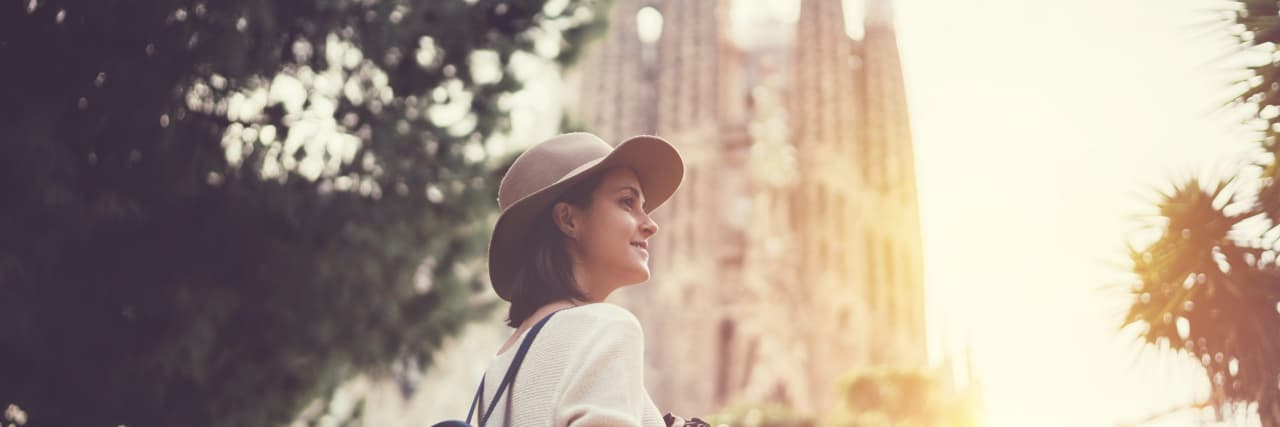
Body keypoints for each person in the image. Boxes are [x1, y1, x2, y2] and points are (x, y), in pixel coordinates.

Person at [477, 132, 685, 426]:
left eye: (645, 208)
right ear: (568, 220)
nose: (650, 224)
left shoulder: (498, 369)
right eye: (627, 202)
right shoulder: (605, 327)